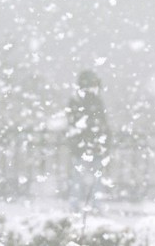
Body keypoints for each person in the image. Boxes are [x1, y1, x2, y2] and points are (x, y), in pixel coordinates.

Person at [65, 69, 112, 212]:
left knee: (81, 177)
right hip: (90, 144)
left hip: (86, 144)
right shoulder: (91, 101)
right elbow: (100, 123)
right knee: (89, 178)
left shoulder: (79, 100)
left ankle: (81, 204)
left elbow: (74, 122)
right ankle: (91, 204)